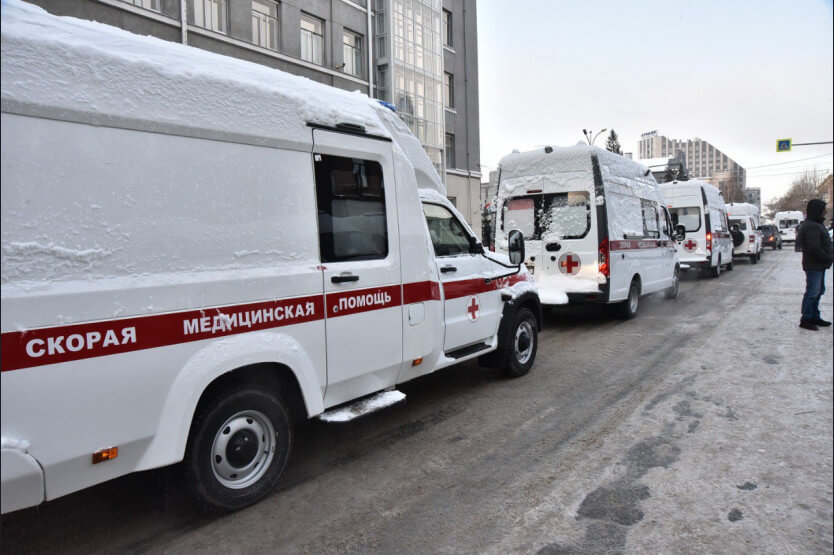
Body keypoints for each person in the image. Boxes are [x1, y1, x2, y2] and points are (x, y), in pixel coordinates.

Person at [796, 199, 833, 331]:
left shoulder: (816, 224)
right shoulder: (812, 226)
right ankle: (806, 319)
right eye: (824, 209)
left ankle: (814, 316)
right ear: (817, 210)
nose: (826, 211)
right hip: (814, 265)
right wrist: (827, 257)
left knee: (818, 291)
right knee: (813, 292)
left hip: (818, 265)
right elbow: (814, 248)